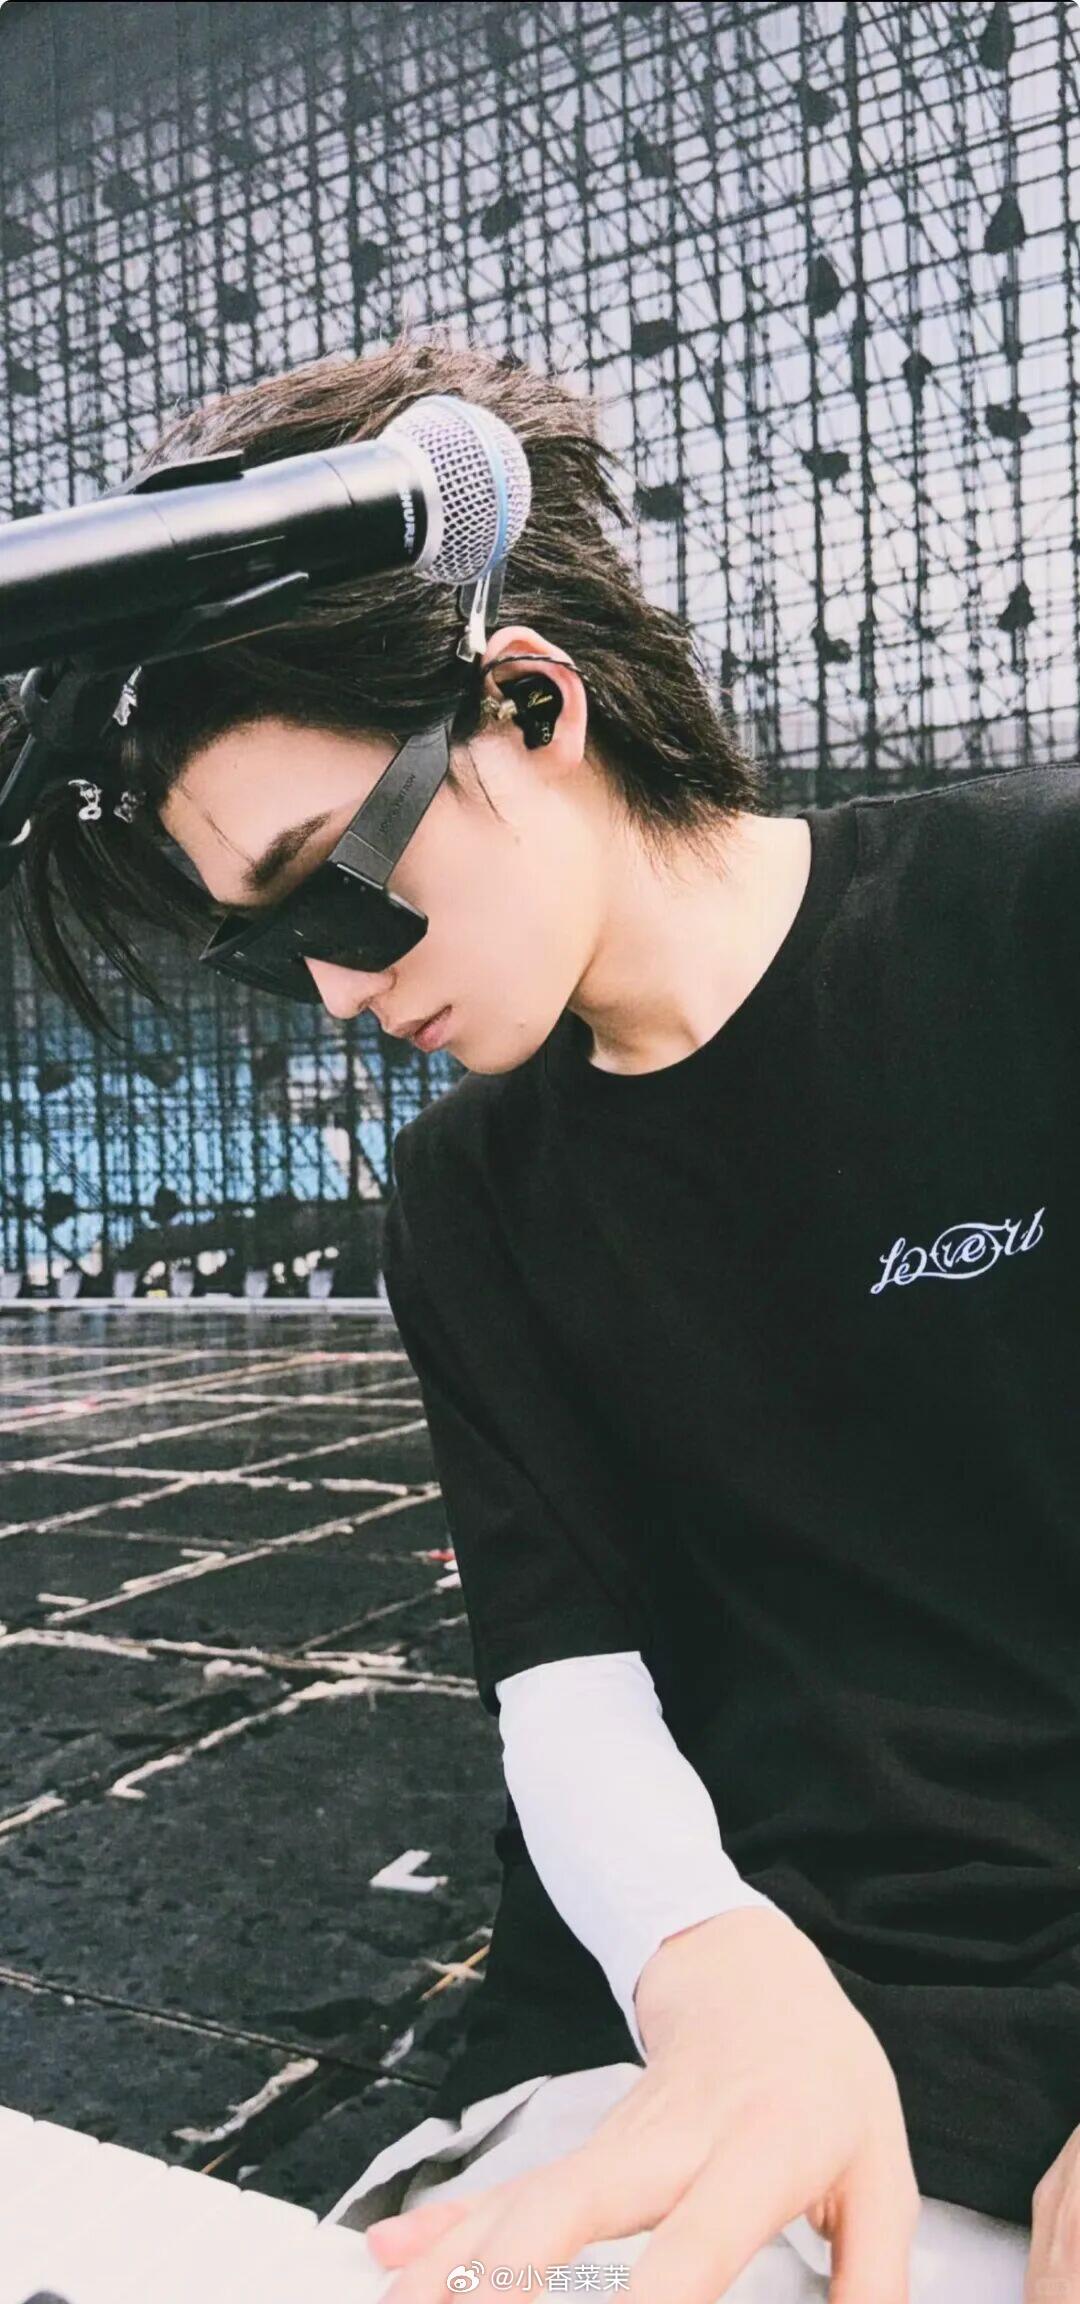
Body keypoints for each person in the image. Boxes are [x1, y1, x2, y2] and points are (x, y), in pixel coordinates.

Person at [5, 325, 1077, 2304]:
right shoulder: (471, 1198)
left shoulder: (1035, 921)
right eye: (265, 954)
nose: (336, 992)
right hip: (695, 2042)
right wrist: (707, 1971)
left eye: (330, 889)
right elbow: (566, 1682)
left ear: (526, 702)